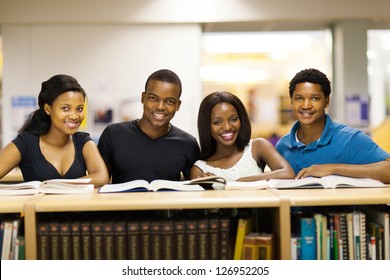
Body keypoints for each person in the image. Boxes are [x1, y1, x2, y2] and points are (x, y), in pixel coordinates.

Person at [276, 68, 390, 183]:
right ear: (291, 101)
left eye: (315, 98)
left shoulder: (350, 139)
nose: (306, 105)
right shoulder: (282, 146)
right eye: (299, 98)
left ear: (327, 101)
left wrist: (333, 168)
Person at [0, 74, 109, 187]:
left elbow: (101, 177)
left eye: (79, 109)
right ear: (48, 109)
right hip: (38, 205)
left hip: (74, 205)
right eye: (65, 108)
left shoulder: (83, 141)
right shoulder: (26, 143)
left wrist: (58, 185)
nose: (74, 116)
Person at [98, 69, 200, 184]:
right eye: (153, 98)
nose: (160, 107)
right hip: (122, 202)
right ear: (143, 98)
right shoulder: (113, 134)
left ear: (178, 105)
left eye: (170, 101)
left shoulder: (188, 144)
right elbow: (99, 186)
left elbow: (195, 189)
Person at [190, 91, 295, 185]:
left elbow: (288, 174)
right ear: (206, 125)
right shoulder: (199, 169)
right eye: (217, 122)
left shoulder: (257, 146)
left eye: (233, 119)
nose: (227, 127)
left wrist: (238, 182)